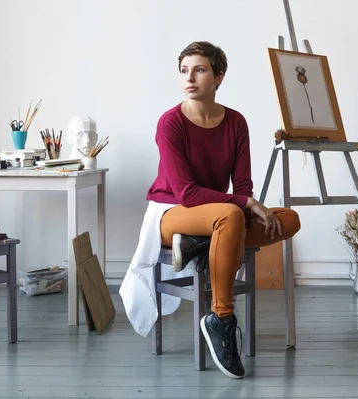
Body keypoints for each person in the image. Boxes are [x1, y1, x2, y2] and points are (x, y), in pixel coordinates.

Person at [119, 41, 301, 379]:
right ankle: (222, 318)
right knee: (230, 215)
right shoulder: (170, 122)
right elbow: (187, 192)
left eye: (199, 70)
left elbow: (242, 183)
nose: (190, 78)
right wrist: (245, 206)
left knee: (288, 219)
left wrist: (246, 203)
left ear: (218, 77)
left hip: (216, 213)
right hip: (171, 212)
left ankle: (202, 243)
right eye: (185, 71)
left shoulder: (235, 122)